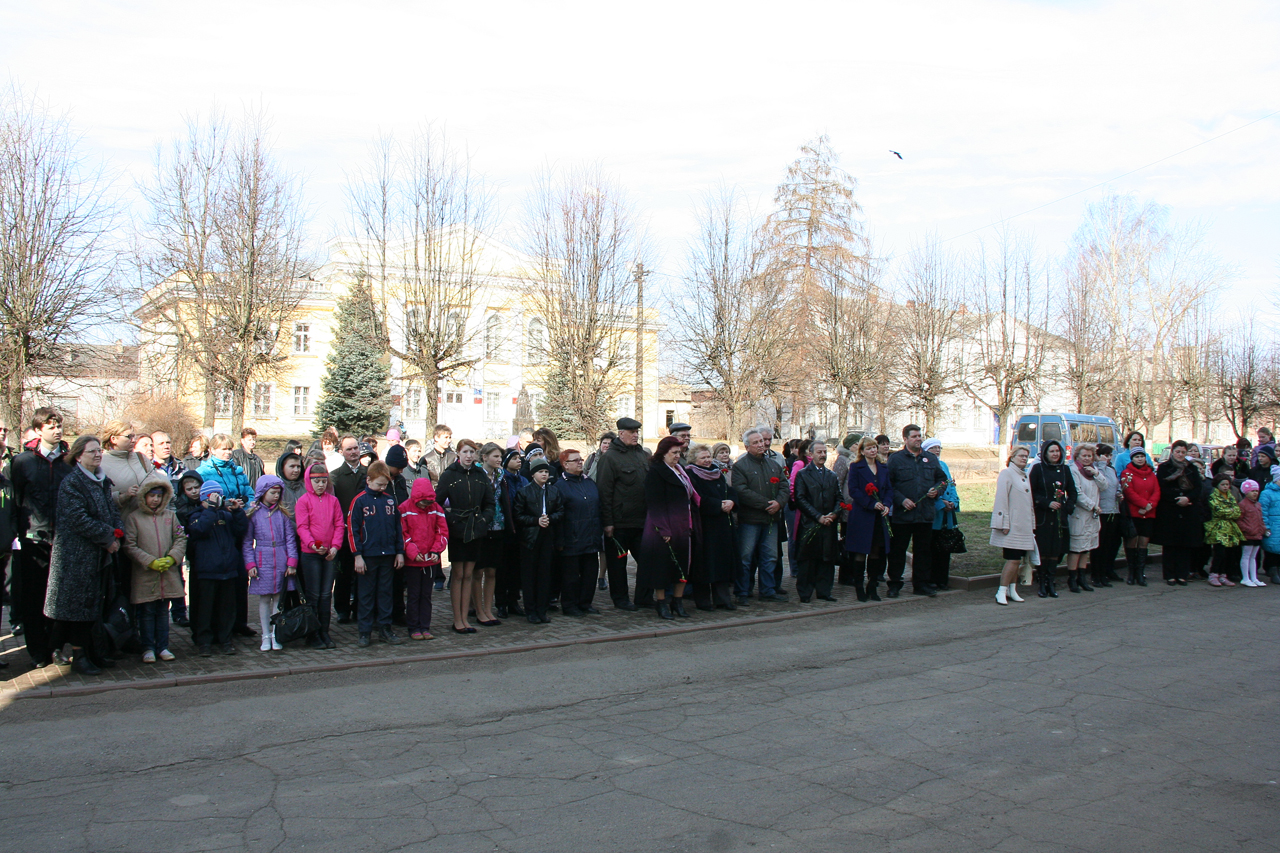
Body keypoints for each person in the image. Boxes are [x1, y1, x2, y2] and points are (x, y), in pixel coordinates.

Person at [43, 435, 121, 675]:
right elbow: (78, 519)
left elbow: (112, 511)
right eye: (91, 451)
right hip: (75, 557)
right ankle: (79, 656)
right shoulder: (72, 483)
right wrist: (108, 536)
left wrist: (118, 533)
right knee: (77, 608)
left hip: (98, 554)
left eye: (99, 451)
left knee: (93, 606)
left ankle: (95, 651)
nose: (98, 455)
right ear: (78, 456)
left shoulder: (102, 480)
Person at [9, 408, 71, 667]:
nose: (57, 430)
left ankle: (56, 646)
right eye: (50, 426)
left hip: (63, 540)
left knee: (59, 597)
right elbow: (15, 500)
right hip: (33, 540)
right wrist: (16, 534)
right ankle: (37, 650)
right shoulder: (22, 462)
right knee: (34, 597)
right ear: (37, 430)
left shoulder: (69, 461)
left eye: (59, 426)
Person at [435, 439, 495, 633]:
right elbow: (436, 503)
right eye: (465, 452)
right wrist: (451, 519)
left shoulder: (480, 475)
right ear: (458, 454)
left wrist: (483, 520)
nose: (469, 456)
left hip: (476, 529)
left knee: (469, 573)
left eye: (472, 452)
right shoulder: (449, 474)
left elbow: (490, 503)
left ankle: (465, 618)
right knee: (458, 574)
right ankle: (457, 619)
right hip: (457, 529)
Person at [197, 434, 254, 636]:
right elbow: (202, 498)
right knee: (220, 579)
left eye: (229, 449)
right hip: (217, 527)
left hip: (237, 523)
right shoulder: (204, 472)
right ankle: (217, 626)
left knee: (240, 576)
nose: (227, 452)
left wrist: (245, 505)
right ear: (212, 450)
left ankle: (239, 622)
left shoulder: (237, 470)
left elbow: (249, 493)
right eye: (223, 449)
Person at [124, 480, 187, 663]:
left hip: (167, 574)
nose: (155, 500)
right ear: (144, 497)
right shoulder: (134, 518)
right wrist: (149, 561)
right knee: (146, 613)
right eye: (152, 496)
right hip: (145, 575)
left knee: (163, 612)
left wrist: (172, 558)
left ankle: (163, 646)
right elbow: (130, 545)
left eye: (159, 496)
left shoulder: (170, 516)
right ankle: (147, 647)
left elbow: (180, 538)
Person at [187, 480, 249, 656]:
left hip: (227, 569)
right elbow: (200, 530)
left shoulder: (226, 515)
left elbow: (241, 530)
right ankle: (204, 641)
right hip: (207, 570)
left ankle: (226, 639)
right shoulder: (196, 515)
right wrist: (211, 510)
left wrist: (237, 512)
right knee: (205, 609)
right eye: (213, 497)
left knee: (226, 609)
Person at [638, 436, 698, 619]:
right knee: (662, 567)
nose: (677, 456)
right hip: (662, 526)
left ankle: (677, 602)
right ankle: (661, 603)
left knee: (682, 564)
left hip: (683, 524)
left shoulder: (680, 470)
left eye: (679, 452)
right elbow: (654, 503)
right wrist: (664, 529)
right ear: (663, 453)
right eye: (674, 453)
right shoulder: (656, 472)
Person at [348, 460, 405, 646]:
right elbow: (352, 530)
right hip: (368, 556)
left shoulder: (390, 501)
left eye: (385, 485)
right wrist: (357, 555)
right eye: (379, 484)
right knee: (366, 594)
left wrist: (399, 552)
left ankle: (385, 629)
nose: (382, 488)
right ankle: (364, 631)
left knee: (385, 593)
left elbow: (397, 528)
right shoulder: (359, 501)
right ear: (369, 480)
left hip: (387, 555)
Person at [595, 416, 650, 611]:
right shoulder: (610, 458)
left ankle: (644, 598)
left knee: (647, 561)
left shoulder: (641, 454)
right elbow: (604, 492)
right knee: (618, 564)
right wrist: (608, 522)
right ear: (621, 434)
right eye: (632, 432)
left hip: (641, 520)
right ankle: (620, 599)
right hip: (619, 522)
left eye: (637, 432)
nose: (636, 435)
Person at [886, 425, 948, 598]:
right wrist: (901, 500)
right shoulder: (896, 459)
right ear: (905, 439)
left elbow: (942, 480)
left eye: (920, 436)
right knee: (898, 551)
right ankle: (894, 584)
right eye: (914, 436)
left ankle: (921, 584)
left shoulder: (930, 458)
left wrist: (937, 490)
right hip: (903, 515)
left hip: (924, 514)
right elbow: (888, 485)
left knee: (923, 552)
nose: (918, 439)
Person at [732, 426, 789, 605]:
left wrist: (779, 503)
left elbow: (784, 486)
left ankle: (767, 590)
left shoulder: (773, 465)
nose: (761, 445)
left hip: (771, 519)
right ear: (747, 446)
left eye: (762, 441)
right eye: (755, 442)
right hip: (750, 520)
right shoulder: (740, 466)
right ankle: (742, 591)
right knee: (745, 557)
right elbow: (741, 491)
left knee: (770, 556)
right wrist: (766, 504)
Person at [242, 475, 298, 652]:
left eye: (278, 493)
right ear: (262, 492)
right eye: (272, 492)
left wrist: (292, 562)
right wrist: (250, 564)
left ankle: (276, 634)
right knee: (265, 599)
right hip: (262, 559)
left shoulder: (282, 515)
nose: (276, 496)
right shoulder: (254, 514)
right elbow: (247, 542)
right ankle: (265, 635)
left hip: (281, 558)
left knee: (278, 600)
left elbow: (290, 539)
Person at [295, 463, 344, 649]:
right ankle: (312, 633)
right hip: (311, 554)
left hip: (330, 554)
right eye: (316, 481)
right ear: (309, 481)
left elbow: (339, 524)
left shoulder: (333, 501)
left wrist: (335, 547)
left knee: (325, 594)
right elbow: (302, 527)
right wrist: (314, 545)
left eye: (324, 481)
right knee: (313, 594)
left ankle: (324, 631)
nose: (321, 485)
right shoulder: (303, 501)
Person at [552, 448, 603, 617]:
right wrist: (560, 540)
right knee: (571, 576)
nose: (580, 462)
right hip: (571, 539)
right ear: (565, 465)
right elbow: (558, 515)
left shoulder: (589, 483)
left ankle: (585, 602)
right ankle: (570, 605)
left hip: (591, 536)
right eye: (575, 460)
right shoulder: (560, 486)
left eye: (580, 459)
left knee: (590, 573)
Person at [686, 443, 737, 610]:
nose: (707, 460)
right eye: (703, 458)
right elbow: (696, 498)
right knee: (703, 564)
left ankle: (722, 599)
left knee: (721, 562)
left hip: (722, 525)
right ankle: (703, 600)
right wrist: (717, 505)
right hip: (703, 525)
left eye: (708, 456)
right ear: (694, 459)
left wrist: (731, 501)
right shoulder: (691, 474)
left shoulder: (717, 473)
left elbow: (729, 490)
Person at [514, 455, 564, 623]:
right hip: (530, 538)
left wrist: (550, 519)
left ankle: (542, 609)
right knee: (530, 575)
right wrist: (536, 521)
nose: (544, 474)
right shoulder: (524, 492)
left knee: (545, 574)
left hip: (547, 536)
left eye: (546, 472)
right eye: (540, 471)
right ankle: (531, 610)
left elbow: (560, 511)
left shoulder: (554, 491)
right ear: (533, 474)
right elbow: (518, 516)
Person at [400, 475, 447, 640]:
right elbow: (403, 534)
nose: (425, 506)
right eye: (422, 503)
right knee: (413, 595)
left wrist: (436, 551)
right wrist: (413, 552)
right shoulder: (404, 508)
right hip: (413, 561)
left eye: (427, 503)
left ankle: (425, 626)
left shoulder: (436, 508)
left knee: (426, 595)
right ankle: (413, 627)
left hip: (430, 560)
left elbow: (442, 531)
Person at [793, 440, 840, 603]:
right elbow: (800, 499)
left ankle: (824, 591)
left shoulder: (832, 475)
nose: (822, 455)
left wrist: (833, 515)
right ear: (810, 454)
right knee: (807, 560)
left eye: (825, 452)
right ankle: (805, 592)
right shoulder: (803, 474)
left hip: (828, 524)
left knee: (826, 558)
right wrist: (818, 516)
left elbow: (839, 498)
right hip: (810, 524)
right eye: (819, 452)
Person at [846, 436, 892, 602]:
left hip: (879, 516)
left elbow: (889, 489)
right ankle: (859, 586)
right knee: (860, 552)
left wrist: (886, 504)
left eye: (874, 447)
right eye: (869, 448)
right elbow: (853, 490)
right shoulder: (856, 467)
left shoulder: (883, 467)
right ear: (862, 451)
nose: (873, 450)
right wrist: (871, 504)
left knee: (875, 552)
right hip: (862, 515)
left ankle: (872, 586)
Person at [1029, 439, 1076, 598]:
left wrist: (1067, 507)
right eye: (1052, 451)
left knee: (1057, 549)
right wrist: (1046, 502)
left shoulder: (1065, 469)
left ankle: (1051, 580)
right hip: (1043, 515)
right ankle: (1042, 581)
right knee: (1044, 549)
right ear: (1045, 453)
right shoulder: (1038, 469)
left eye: (1057, 451)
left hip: (1059, 517)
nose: (1055, 454)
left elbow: (1072, 491)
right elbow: (1032, 491)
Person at [1153, 440, 1204, 586]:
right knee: (1170, 544)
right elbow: (1162, 487)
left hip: (1188, 509)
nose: (1180, 455)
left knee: (1185, 544)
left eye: (1183, 452)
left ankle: (1182, 574)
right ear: (1172, 452)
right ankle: (1170, 575)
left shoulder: (1191, 468)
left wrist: (1188, 498)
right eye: (1178, 452)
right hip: (1170, 509)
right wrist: (1177, 499)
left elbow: (1197, 487)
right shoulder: (1164, 467)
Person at [329, 436, 367, 625]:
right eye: (348, 449)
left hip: (365, 533)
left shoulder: (369, 473)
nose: (353, 452)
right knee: (343, 574)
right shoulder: (335, 476)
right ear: (341, 452)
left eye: (355, 448)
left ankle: (360, 608)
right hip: (344, 534)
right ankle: (342, 609)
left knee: (362, 575)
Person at [990, 445, 1035, 605]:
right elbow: (1001, 499)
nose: (1024, 458)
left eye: (1026, 456)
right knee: (1013, 559)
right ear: (1012, 457)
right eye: (1021, 455)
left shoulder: (1024, 475)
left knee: (1018, 559)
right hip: (1011, 526)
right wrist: (1003, 523)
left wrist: (1032, 524)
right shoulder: (1007, 473)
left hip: (1023, 526)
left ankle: (1012, 589)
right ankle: (1001, 591)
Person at [472, 442, 508, 626]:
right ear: (485, 457)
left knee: (492, 571)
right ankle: (479, 610)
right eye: (495, 456)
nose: (499, 459)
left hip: (498, 525)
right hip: (480, 527)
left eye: (500, 456)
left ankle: (488, 609)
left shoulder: (501, 475)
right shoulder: (476, 473)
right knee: (478, 571)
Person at [921, 438, 960, 591]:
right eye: (933, 448)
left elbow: (950, 485)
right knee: (931, 547)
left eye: (939, 448)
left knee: (945, 547)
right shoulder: (924, 466)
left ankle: (942, 579)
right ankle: (930, 579)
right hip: (933, 513)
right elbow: (924, 489)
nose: (937, 450)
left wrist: (953, 502)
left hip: (947, 514)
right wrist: (941, 503)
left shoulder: (943, 465)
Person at [1119, 446, 1158, 586]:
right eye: (1137, 457)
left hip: (1148, 513)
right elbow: (1129, 492)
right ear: (1132, 459)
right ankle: (1131, 572)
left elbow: (1156, 491)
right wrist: (1143, 505)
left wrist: (1150, 505)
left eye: (1142, 456)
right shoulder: (1127, 473)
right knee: (1131, 541)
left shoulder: (1151, 474)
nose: (1140, 459)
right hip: (1134, 513)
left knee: (1143, 543)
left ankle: (1140, 573)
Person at [1065, 442, 1101, 593]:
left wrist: (1096, 474)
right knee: (1076, 549)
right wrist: (1092, 506)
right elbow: (1077, 493)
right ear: (1077, 456)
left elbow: (1104, 486)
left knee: (1086, 548)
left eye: (1090, 456)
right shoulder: (1074, 470)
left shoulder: (1093, 470)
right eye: (1084, 455)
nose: (1087, 458)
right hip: (1080, 514)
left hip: (1092, 517)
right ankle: (1072, 578)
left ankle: (1082, 577)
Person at [496, 448, 527, 617]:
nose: (519, 461)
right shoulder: (502, 480)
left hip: (520, 528)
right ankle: (501, 603)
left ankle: (514, 600)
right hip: (505, 528)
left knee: (516, 568)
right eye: (514, 458)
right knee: (502, 568)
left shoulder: (523, 480)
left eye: (519, 458)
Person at [1203, 473, 1246, 587]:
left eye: (1227, 484)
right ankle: (1213, 573)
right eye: (1223, 484)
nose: (1226, 487)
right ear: (1217, 485)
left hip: (1230, 528)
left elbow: (1237, 511)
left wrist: (1230, 511)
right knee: (1219, 552)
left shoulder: (1230, 496)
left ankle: (1223, 574)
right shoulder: (1213, 496)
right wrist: (1230, 511)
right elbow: (1218, 511)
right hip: (1219, 528)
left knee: (1228, 553)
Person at [1234, 479, 1266, 587]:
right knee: (1246, 556)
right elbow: (1239, 520)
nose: (1255, 493)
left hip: (1257, 534)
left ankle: (1254, 577)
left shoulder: (1258, 505)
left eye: (1256, 491)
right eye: (1252, 491)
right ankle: (1245, 578)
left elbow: (1260, 519)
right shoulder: (1242, 505)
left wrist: (1262, 529)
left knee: (1253, 557)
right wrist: (1248, 529)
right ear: (1246, 492)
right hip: (1248, 535)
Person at [1259, 467, 1280, 585]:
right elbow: (1263, 511)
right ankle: (1273, 570)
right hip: (1273, 525)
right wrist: (1265, 526)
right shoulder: (1266, 493)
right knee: (1272, 548)